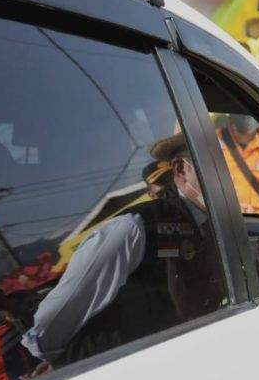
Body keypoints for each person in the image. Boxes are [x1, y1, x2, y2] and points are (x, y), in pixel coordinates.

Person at [23, 133, 227, 364]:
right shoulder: (134, 228)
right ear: (181, 170)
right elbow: (52, 323)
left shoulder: (214, 224)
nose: (226, 176)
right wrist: (58, 364)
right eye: (214, 165)